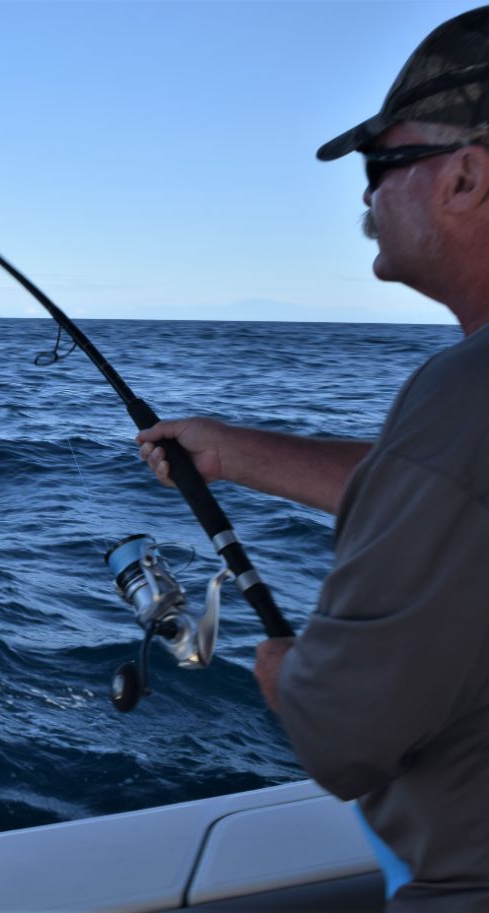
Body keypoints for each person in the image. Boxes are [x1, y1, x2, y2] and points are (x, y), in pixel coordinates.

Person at [137, 8, 489, 910]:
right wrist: (238, 453)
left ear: (465, 176)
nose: (366, 198)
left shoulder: (464, 395)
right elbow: (454, 497)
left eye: (382, 166)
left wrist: (287, 674)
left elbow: (342, 735)